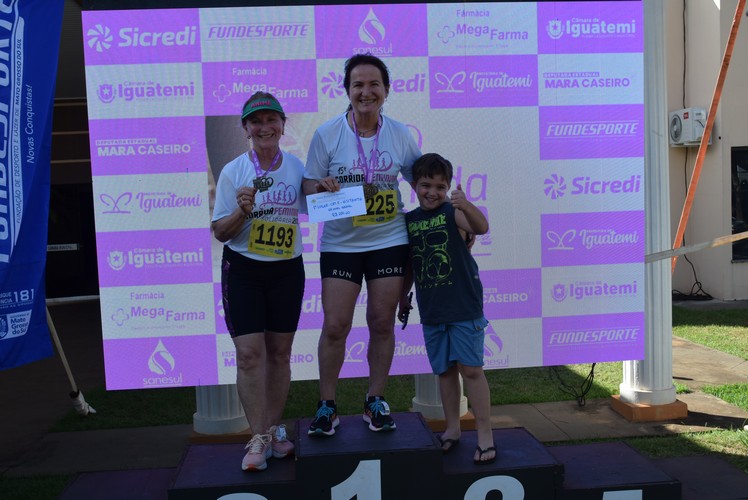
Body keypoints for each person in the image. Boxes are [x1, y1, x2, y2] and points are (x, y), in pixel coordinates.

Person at [303, 53, 421, 435]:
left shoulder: (400, 133)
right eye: (358, 85)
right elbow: (308, 186)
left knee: (381, 322)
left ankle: (375, 400)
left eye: (374, 84)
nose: (366, 92)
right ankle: (327, 405)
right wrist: (320, 185)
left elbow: (421, 180)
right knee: (336, 325)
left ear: (386, 91)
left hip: (389, 239)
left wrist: (451, 215)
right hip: (341, 243)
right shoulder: (328, 134)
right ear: (347, 91)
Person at [211, 92, 306, 471]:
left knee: (280, 354)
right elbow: (220, 231)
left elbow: (320, 203)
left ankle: (272, 429)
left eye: (271, 120)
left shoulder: (297, 167)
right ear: (246, 129)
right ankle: (257, 436)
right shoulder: (234, 170)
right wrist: (241, 210)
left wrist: (336, 189)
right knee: (251, 355)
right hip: (245, 270)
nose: (264, 127)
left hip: (286, 270)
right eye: (256, 121)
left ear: (283, 125)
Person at [397, 153, 496, 465]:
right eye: (426, 185)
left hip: (464, 307)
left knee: (472, 370)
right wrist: (403, 296)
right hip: (432, 311)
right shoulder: (409, 221)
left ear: (449, 187)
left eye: (441, 186)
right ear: (414, 186)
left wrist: (464, 204)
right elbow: (410, 267)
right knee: (444, 371)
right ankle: (452, 427)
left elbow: (481, 227)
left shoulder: (453, 212)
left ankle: (485, 435)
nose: (432, 192)